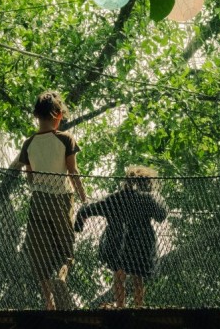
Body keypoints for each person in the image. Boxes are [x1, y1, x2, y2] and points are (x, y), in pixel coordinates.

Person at [19, 91, 87, 310]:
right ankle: (61, 277)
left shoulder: (28, 143)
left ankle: (48, 303)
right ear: (58, 115)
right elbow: (73, 171)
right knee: (65, 249)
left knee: (40, 252)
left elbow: (29, 176)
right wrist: (84, 197)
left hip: (38, 200)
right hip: (61, 200)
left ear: (37, 116)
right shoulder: (65, 139)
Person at [74, 165, 167, 308]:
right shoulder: (148, 198)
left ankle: (120, 306)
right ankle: (138, 306)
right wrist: (156, 198)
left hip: (117, 241)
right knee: (138, 277)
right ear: (147, 183)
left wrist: (79, 223)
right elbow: (162, 214)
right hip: (141, 242)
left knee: (118, 275)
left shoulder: (115, 199)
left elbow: (89, 209)